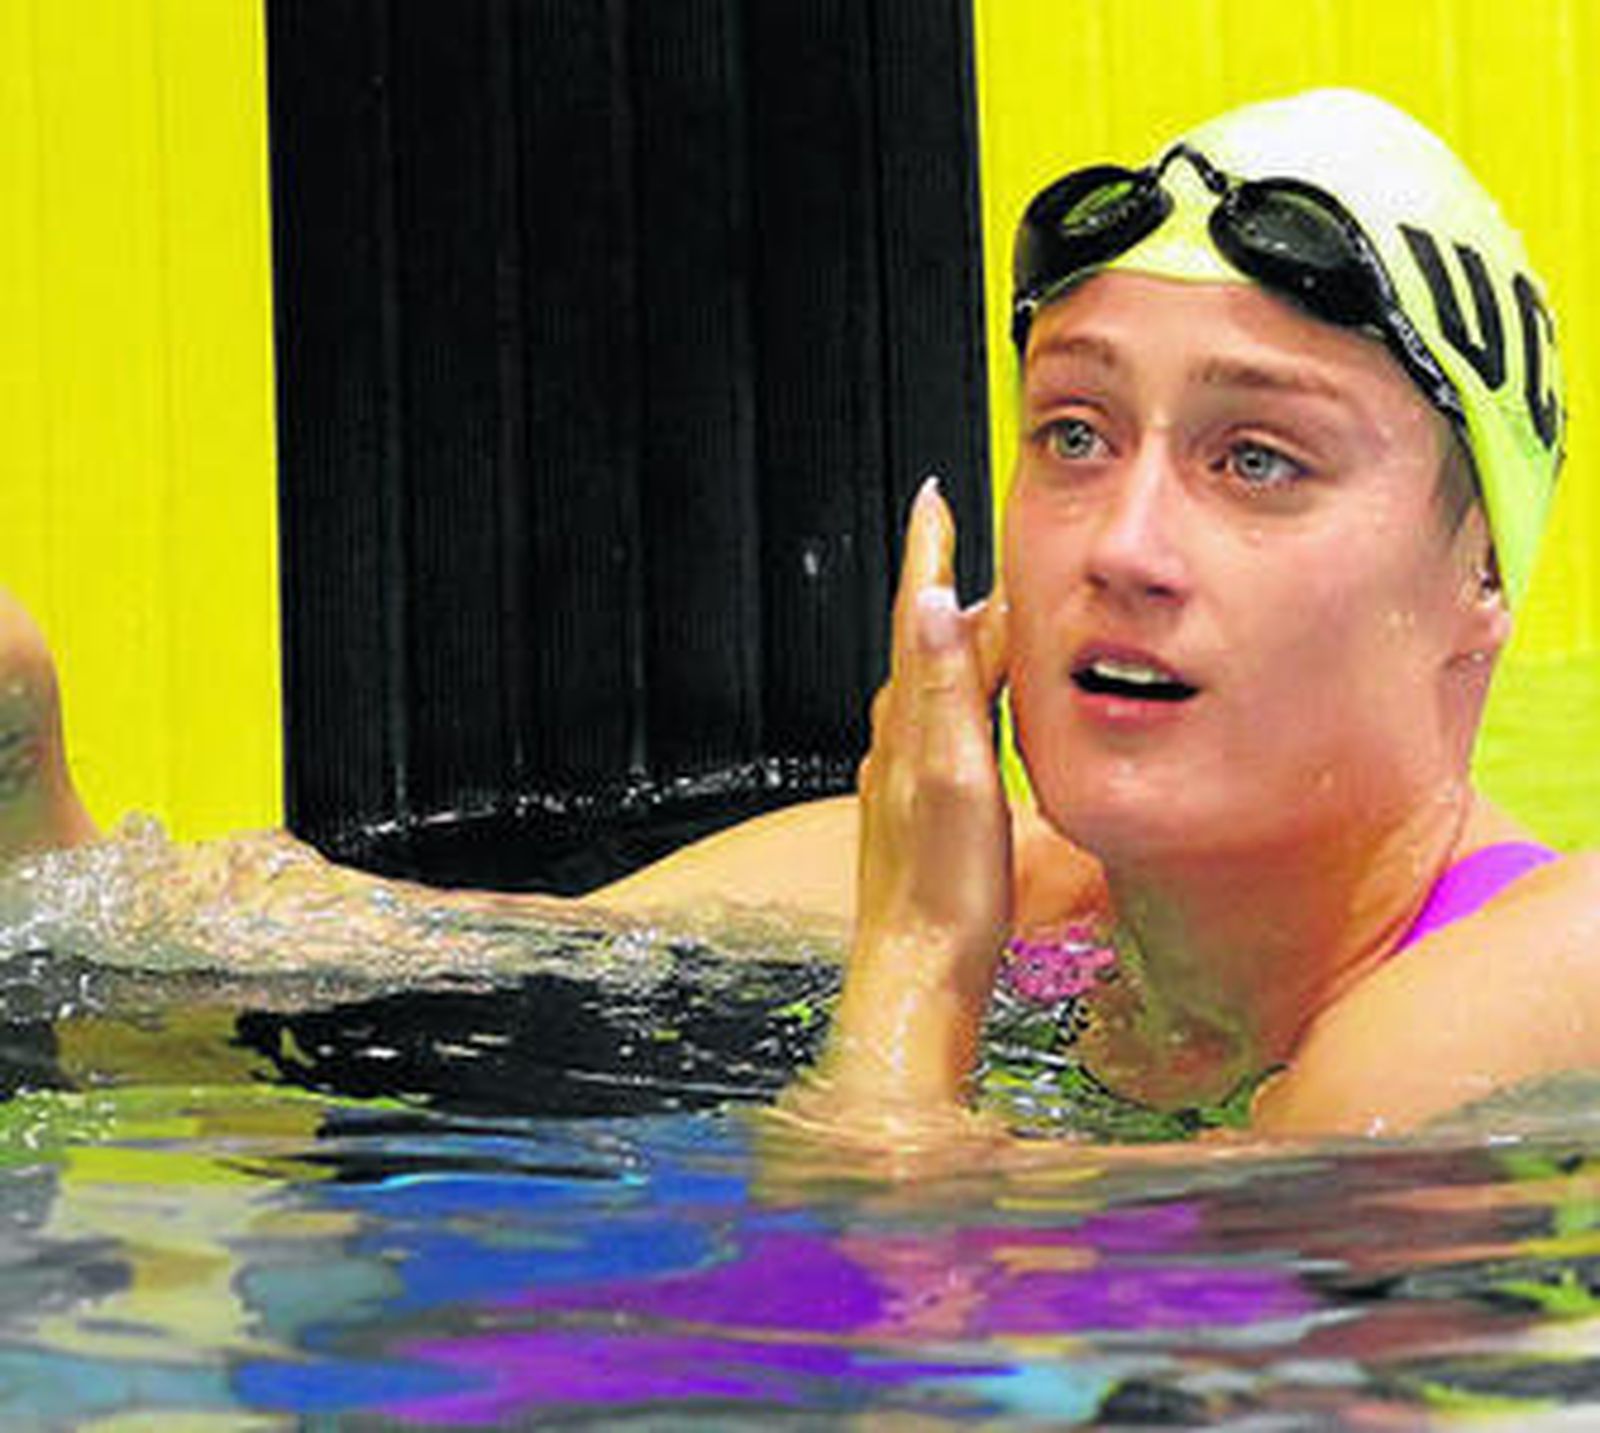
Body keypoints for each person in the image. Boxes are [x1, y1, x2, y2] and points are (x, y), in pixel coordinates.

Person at [4, 88, 1599, 1142]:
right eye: (1074, 433)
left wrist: (918, 961)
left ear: (1482, 578)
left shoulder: (1544, 971)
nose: (1125, 544)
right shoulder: (1022, 892)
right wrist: (31, 811)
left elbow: (887, 1335)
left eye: (1257, 460)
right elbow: (392, 969)